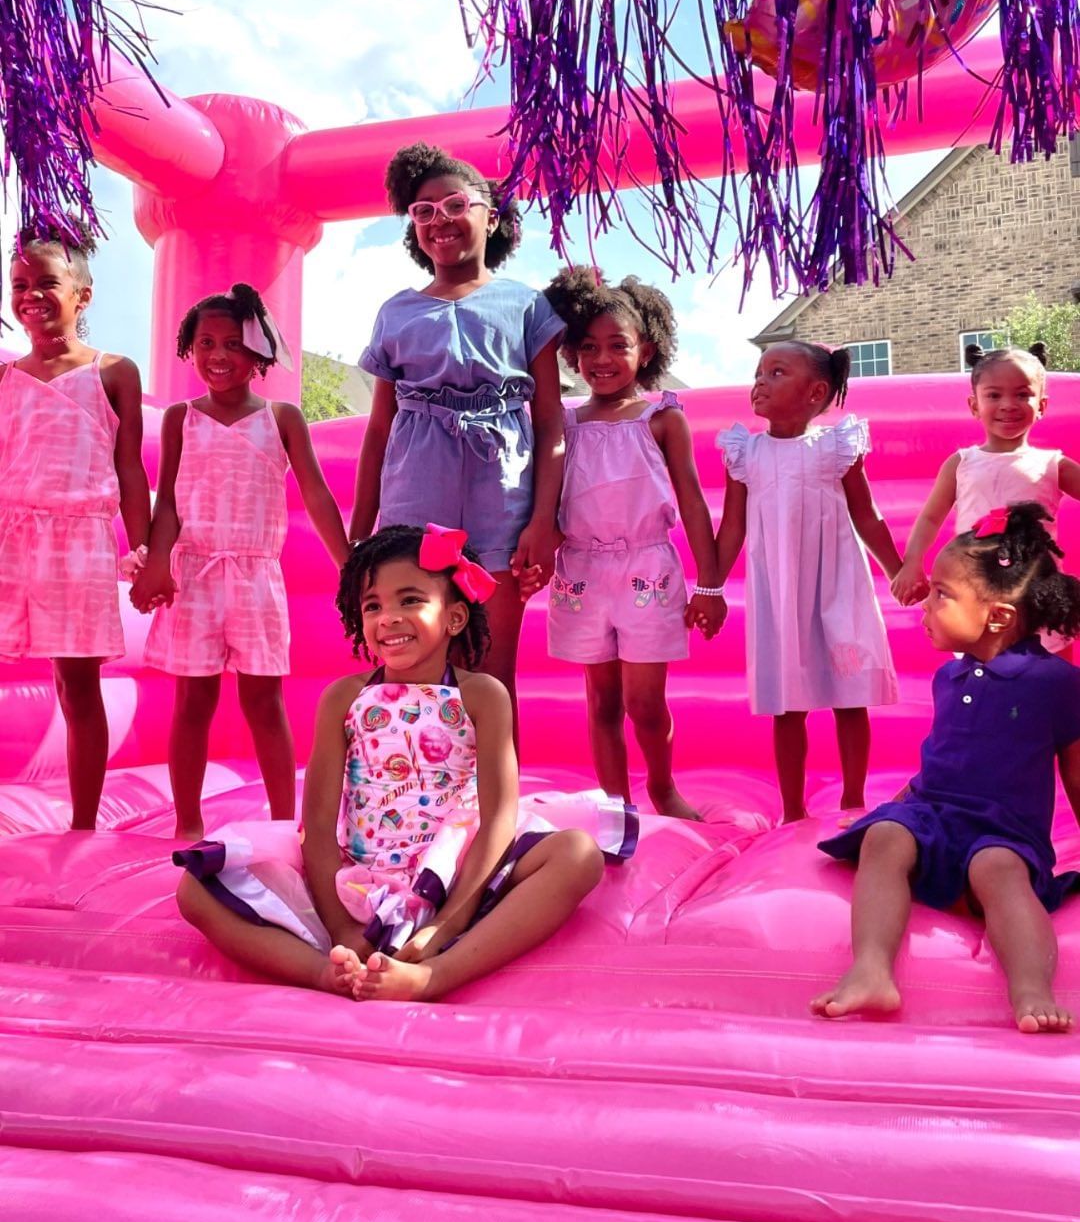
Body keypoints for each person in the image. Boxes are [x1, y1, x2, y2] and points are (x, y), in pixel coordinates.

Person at [174, 523, 636, 1001]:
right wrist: (341, 928)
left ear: (454, 617)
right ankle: (327, 972)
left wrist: (446, 922)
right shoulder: (344, 698)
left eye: (410, 600)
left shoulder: (482, 695)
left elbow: (498, 815)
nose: (389, 618)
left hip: (457, 869)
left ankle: (436, 972)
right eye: (373, 605)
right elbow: (317, 823)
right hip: (357, 874)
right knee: (195, 888)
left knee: (577, 855)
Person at [814, 503, 1080, 1032]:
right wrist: (891, 810)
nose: (926, 605)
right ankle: (870, 969)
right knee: (884, 839)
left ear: (997, 617)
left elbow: (1075, 774)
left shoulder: (1055, 683)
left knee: (999, 871)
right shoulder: (949, 678)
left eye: (942, 594)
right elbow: (941, 763)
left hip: (1002, 831)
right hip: (934, 819)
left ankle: (1031, 989)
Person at [349, 143, 565, 720]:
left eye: (454, 204)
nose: (439, 219)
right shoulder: (396, 312)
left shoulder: (527, 306)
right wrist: (360, 533)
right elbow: (378, 430)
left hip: (503, 503)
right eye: (423, 211)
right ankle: (416, 776)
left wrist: (543, 521)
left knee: (492, 669)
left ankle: (496, 781)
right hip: (414, 502)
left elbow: (550, 421)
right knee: (415, 663)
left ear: (490, 217)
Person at [132, 284, 348, 837]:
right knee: (192, 701)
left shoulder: (282, 418)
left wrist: (349, 563)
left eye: (233, 343)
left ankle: (284, 824)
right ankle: (187, 824)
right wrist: (158, 562)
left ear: (258, 352)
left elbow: (317, 494)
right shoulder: (180, 418)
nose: (218, 355)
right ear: (190, 349)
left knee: (264, 701)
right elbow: (168, 502)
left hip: (256, 578)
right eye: (205, 343)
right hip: (194, 576)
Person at [543, 267, 724, 821]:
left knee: (645, 703)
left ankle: (663, 790)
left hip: (647, 569)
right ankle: (616, 806)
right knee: (602, 700)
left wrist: (710, 585)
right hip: (580, 571)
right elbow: (547, 501)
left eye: (617, 345)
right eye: (588, 347)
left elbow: (693, 503)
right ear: (572, 354)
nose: (602, 358)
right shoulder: (564, 423)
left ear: (645, 350)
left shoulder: (661, 418)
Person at [0, 226, 150, 831]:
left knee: (76, 682)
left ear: (82, 294)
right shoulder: (5, 377)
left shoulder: (112, 372)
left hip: (79, 541)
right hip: (13, 536)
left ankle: (83, 824)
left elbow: (131, 468)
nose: (31, 295)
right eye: (19, 285)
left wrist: (145, 550)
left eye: (47, 283)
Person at [714, 343, 901, 823]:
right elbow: (732, 527)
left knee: (850, 696)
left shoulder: (837, 447)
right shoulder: (745, 452)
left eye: (776, 372)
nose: (760, 381)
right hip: (780, 592)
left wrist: (897, 570)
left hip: (838, 585)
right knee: (787, 705)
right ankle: (793, 810)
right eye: (758, 372)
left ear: (815, 393)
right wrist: (709, 587)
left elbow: (866, 514)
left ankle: (854, 799)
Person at [892, 344, 1080, 616]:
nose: (1008, 405)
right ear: (974, 405)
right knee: (977, 641)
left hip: (1036, 595)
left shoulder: (1053, 464)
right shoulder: (961, 464)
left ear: (1041, 405)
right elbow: (930, 518)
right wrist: (912, 562)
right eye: (994, 395)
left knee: (1042, 643)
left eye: (1023, 394)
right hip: (974, 592)